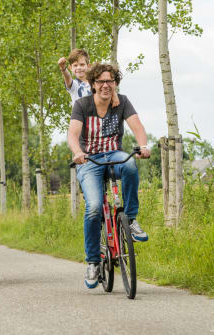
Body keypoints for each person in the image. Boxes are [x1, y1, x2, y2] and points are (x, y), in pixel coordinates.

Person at [67, 63, 150, 289]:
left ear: (115, 83)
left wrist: (142, 145)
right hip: (90, 160)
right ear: (93, 84)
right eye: (101, 81)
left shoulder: (122, 101)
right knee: (93, 207)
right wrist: (77, 153)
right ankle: (93, 262)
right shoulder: (82, 105)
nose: (106, 85)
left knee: (131, 164)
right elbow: (73, 134)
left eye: (110, 81)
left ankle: (130, 220)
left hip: (114, 155)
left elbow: (137, 126)